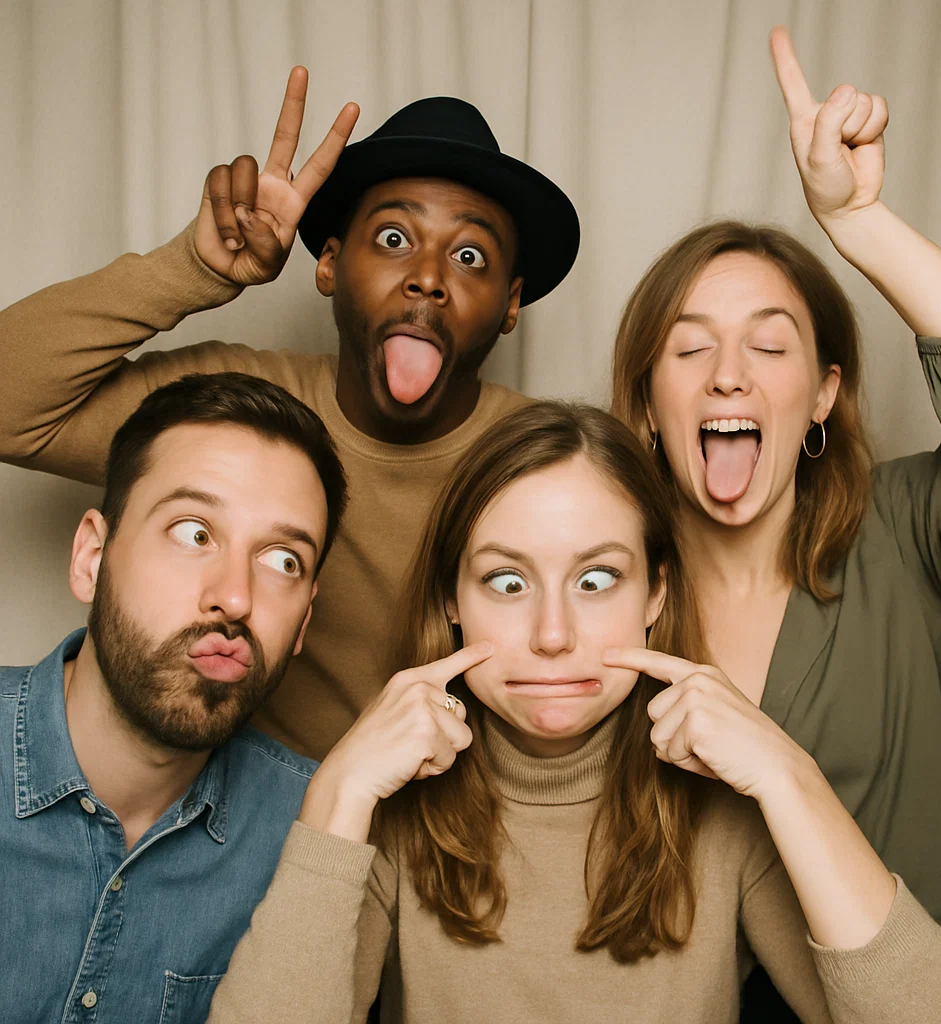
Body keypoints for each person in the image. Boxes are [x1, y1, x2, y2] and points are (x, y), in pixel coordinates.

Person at [203, 401, 941, 1024]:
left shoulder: (722, 808)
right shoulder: (390, 808)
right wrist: (338, 794)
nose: (553, 636)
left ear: (655, 593)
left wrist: (791, 776)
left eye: (595, 580)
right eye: (508, 582)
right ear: (451, 598)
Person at [611, 28, 941, 1018]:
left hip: (910, 989)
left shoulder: (901, 534)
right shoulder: (598, 580)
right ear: (647, 405)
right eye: (689, 349)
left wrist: (859, 221)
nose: (728, 375)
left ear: (824, 393)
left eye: (770, 345)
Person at [0, 69, 579, 761]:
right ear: (330, 263)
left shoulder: (553, 463)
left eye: (469, 255)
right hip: (259, 817)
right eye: (393, 239)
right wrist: (194, 267)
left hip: (468, 822)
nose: (428, 277)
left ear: (510, 302)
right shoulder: (239, 420)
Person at [0, 372, 346, 1022]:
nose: (235, 597)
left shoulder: (318, 831)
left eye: (283, 561)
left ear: (304, 621)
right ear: (92, 557)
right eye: (194, 532)